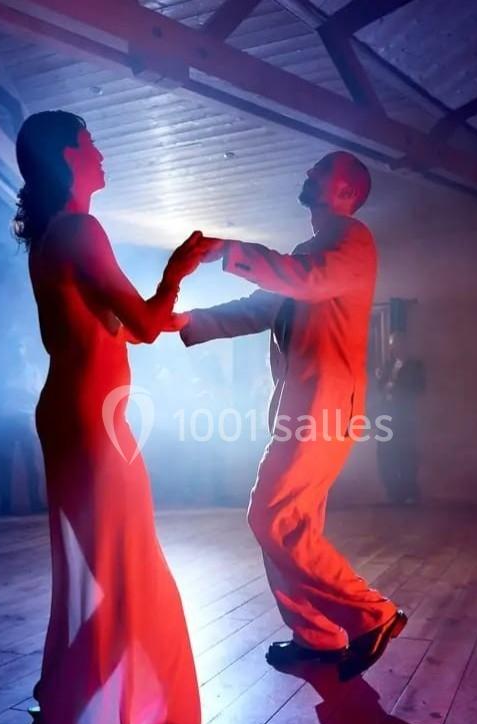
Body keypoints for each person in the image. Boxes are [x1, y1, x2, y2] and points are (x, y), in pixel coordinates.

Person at [14, 111, 209, 724]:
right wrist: (178, 268)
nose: (103, 155)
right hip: (92, 421)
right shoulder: (78, 229)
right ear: (66, 156)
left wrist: (178, 316)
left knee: (95, 562)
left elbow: (118, 328)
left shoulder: (56, 236)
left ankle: (84, 693)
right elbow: (144, 325)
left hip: (76, 412)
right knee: (116, 559)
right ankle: (101, 711)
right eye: (93, 144)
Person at [180, 151, 405, 683]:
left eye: (320, 172)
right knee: (292, 522)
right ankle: (318, 635)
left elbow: (304, 281)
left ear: (348, 192)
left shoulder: (352, 239)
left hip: (325, 404)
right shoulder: (311, 250)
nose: (306, 173)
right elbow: (260, 308)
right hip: (303, 404)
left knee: (272, 518)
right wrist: (184, 320)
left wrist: (232, 249)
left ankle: (372, 614)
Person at [0, 337, 45, 513]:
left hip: (25, 418)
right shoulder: (3, 371)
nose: (17, 351)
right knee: (5, 464)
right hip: (6, 420)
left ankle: (35, 501)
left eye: (20, 347)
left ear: (25, 350)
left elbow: (38, 393)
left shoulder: (33, 371)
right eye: (14, 347)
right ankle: (5, 504)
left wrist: (22, 394)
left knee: (31, 463)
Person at [375, 332, 425, 504]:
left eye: (396, 343)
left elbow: (418, 389)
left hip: (404, 418)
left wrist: (395, 387)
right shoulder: (387, 366)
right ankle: (393, 494)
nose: (393, 347)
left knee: (405, 455)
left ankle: (409, 493)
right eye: (391, 344)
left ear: (404, 345)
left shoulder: (415, 366)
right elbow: (380, 389)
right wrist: (381, 380)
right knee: (385, 454)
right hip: (385, 417)